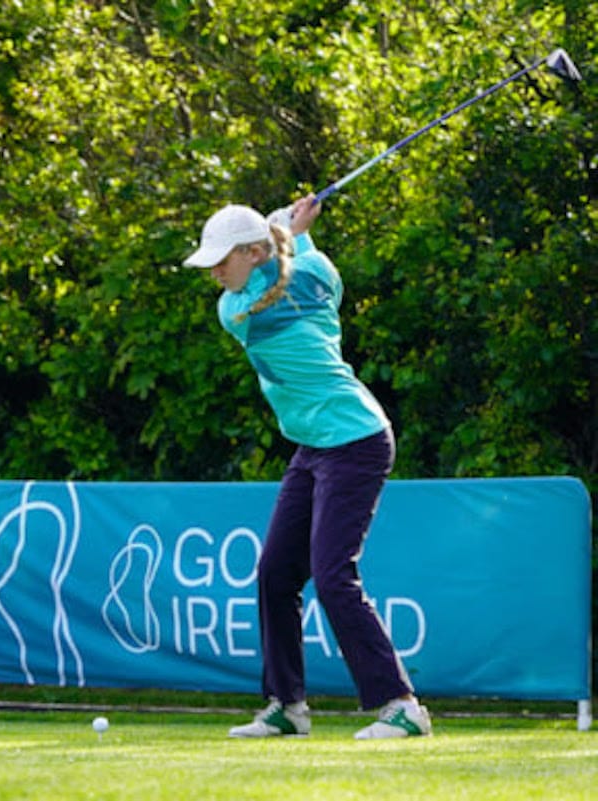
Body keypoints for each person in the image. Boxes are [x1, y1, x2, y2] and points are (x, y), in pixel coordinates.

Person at [182, 194, 431, 740]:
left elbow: (277, 283)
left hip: (356, 440)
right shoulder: (316, 271)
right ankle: (286, 707)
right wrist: (295, 234)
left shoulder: (237, 311)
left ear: (252, 252)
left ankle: (402, 706)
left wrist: (284, 231)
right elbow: (301, 269)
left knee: (333, 574)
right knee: (276, 572)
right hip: (314, 446)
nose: (215, 272)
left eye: (223, 260)